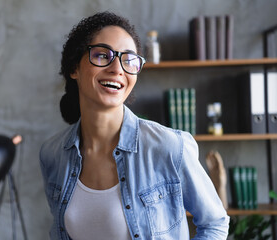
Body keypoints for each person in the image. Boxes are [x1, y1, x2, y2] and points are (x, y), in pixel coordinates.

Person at [40, 11, 229, 240]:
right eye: (102, 55)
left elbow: (215, 224)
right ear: (74, 68)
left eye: (129, 59)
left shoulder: (170, 147)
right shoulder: (53, 154)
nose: (117, 68)